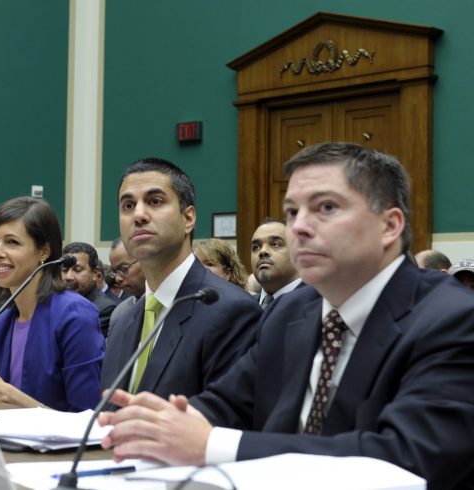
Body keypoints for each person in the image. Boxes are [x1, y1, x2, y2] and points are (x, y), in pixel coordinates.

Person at [98, 143, 474, 490]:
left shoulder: (451, 319)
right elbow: (226, 403)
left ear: (389, 226)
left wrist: (214, 443)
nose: (300, 227)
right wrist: (162, 422)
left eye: (326, 208)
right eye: (293, 211)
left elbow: (407, 459)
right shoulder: (291, 311)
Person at [101, 158, 261, 401]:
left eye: (155, 201)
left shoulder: (231, 312)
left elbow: (228, 423)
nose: (139, 215)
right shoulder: (123, 320)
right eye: (128, 205)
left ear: (188, 219)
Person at [0, 197, 105, 412]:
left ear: (44, 252)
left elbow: (86, 420)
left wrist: (5, 392)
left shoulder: (75, 314)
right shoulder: (2, 321)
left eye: (12, 242)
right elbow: (4, 404)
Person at [62, 242, 118, 337]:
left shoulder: (105, 309)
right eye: (64, 270)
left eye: (77, 270)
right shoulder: (57, 302)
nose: (68, 276)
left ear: (95, 274)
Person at [250, 219, 302, 308]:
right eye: (256, 247)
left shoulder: (319, 303)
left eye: (275, 244)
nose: (262, 251)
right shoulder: (243, 308)